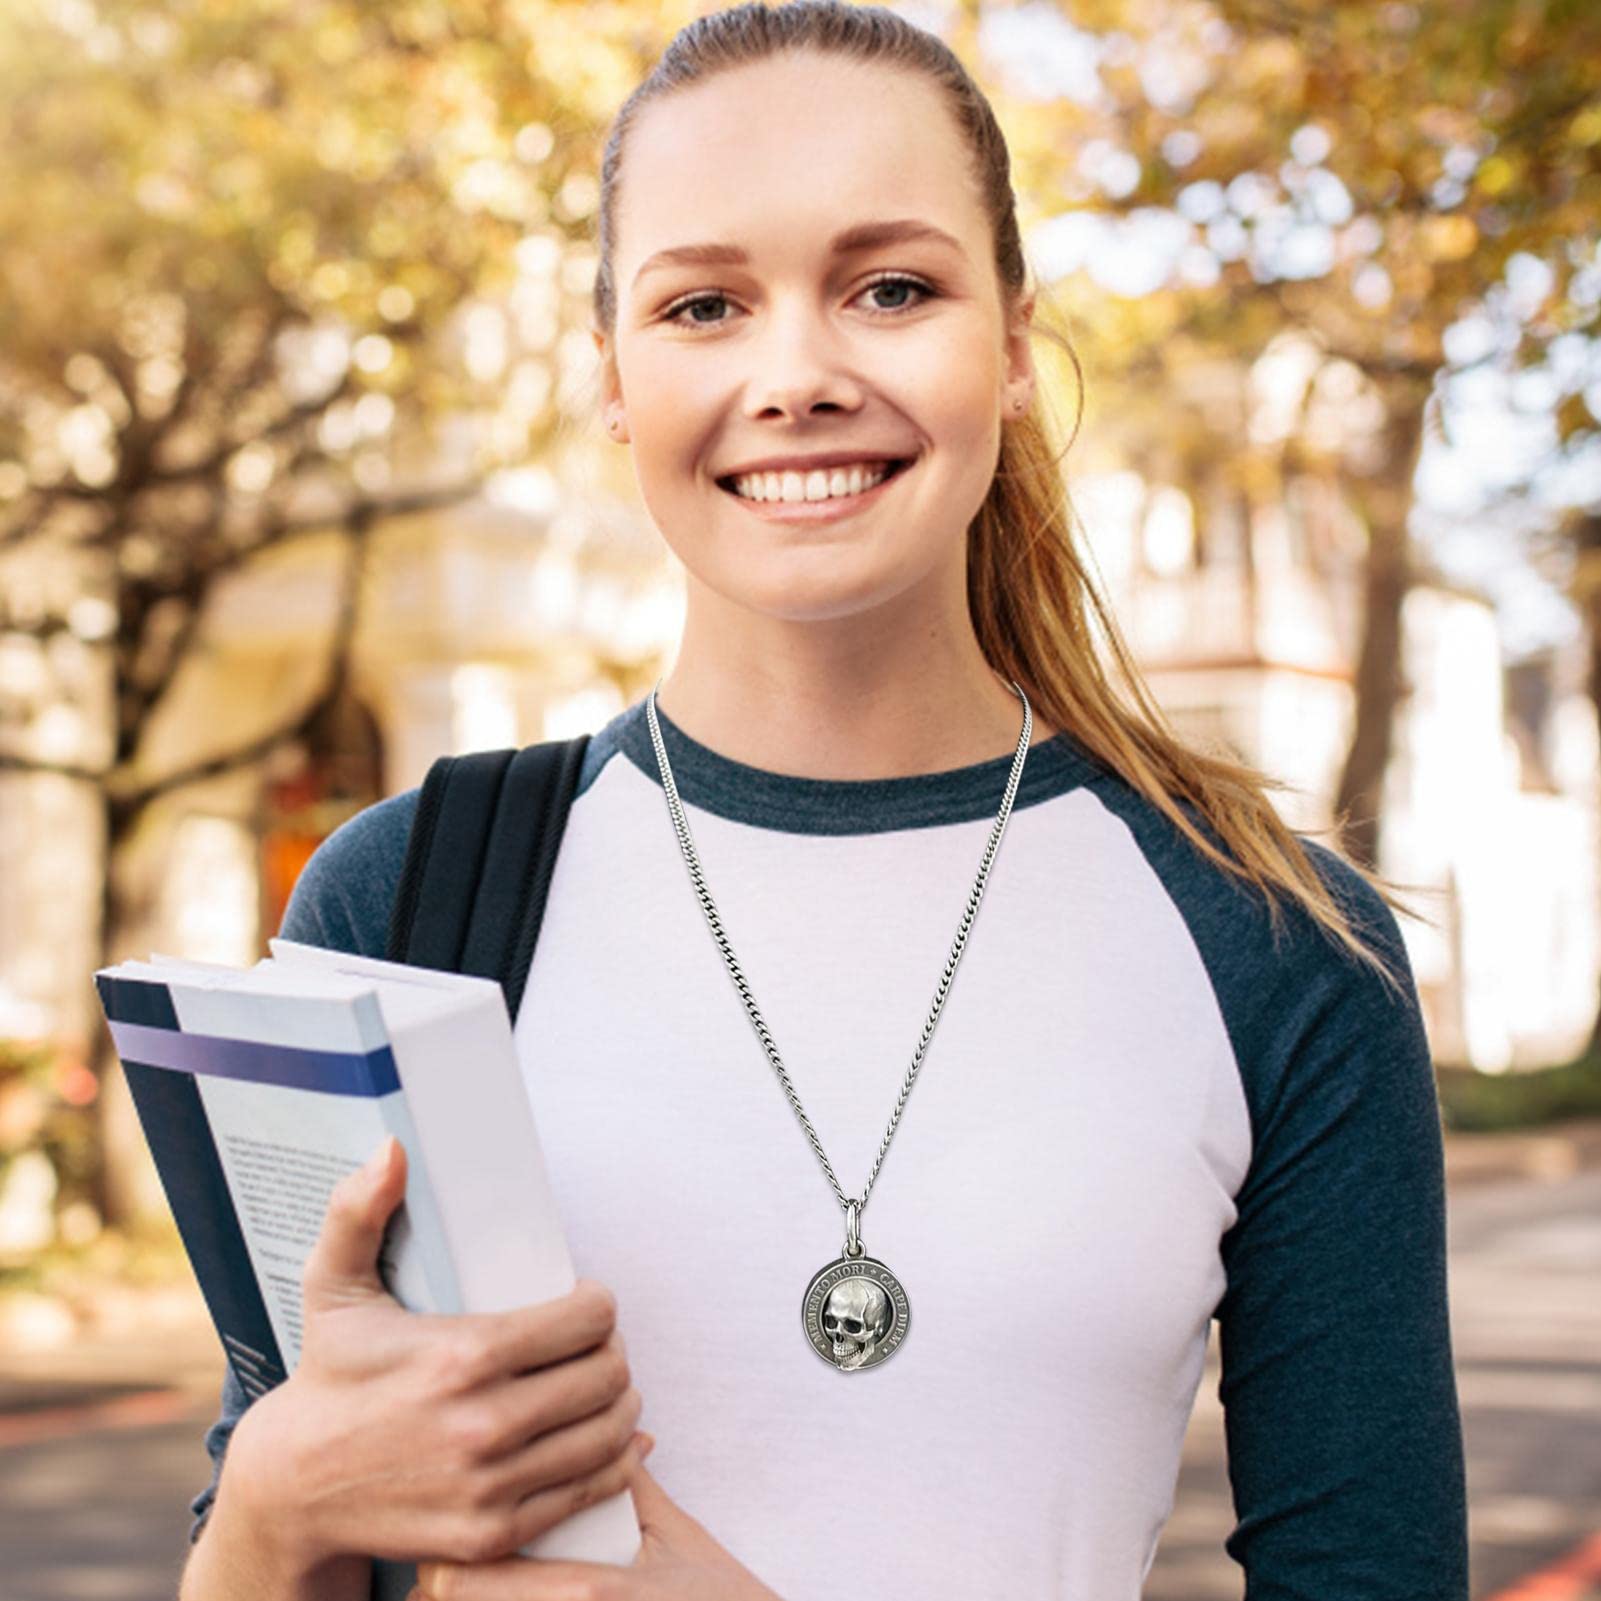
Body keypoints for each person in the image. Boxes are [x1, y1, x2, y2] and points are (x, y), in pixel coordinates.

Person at [178, 3, 1470, 1599]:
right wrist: (272, 1504)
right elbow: (271, 1537)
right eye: (705, 303)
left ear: (1007, 347)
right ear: (613, 379)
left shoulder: (1273, 935)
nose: (793, 376)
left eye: (891, 288)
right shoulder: (403, 896)